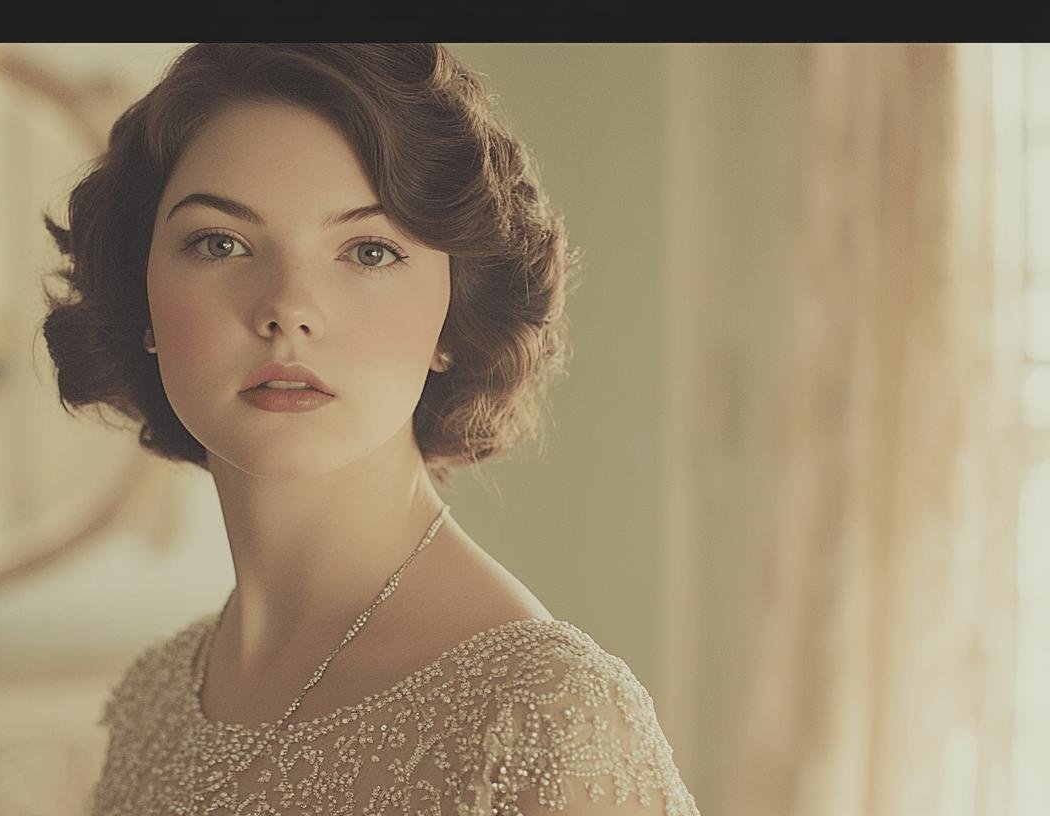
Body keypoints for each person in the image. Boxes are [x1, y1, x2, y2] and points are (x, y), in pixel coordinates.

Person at [40, 43, 700, 815]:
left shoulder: (538, 715)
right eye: (220, 243)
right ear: (141, 294)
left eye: (368, 250)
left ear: (452, 315)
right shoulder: (155, 702)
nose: (287, 306)